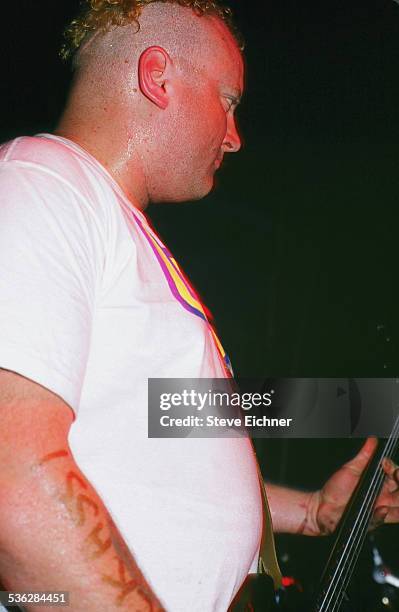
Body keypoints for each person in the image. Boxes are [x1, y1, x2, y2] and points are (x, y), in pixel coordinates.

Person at [0, 1, 397, 610]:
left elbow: (159, 458)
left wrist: (311, 512)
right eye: (229, 101)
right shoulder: (44, 183)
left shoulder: (127, 234)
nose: (235, 138)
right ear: (158, 76)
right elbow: (12, 479)